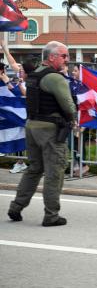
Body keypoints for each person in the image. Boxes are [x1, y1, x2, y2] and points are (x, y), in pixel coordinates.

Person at [8, 41, 77, 226]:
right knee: (54, 171)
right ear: (52, 56)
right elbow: (68, 105)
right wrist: (74, 118)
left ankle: (16, 206)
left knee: (34, 169)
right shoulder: (55, 78)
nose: (67, 60)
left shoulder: (34, 75)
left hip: (32, 126)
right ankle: (51, 215)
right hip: (50, 129)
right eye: (64, 56)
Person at [1, 40, 29, 174]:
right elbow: (12, 62)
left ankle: (36, 164)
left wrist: (7, 82)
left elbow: (25, 94)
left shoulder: (32, 80)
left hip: (28, 113)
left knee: (30, 139)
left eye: (22, 70)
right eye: (20, 69)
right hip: (19, 112)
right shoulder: (21, 78)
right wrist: (5, 47)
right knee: (19, 135)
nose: (19, 71)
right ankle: (20, 162)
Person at [67, 65, 89, 177]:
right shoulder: (70, 84)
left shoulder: (86, 85)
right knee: (71, 142)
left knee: (80, 142)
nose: (73, 73)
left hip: (83, 117)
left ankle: (83, 164)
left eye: (76, 71)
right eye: (73, 71)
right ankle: (76, 162)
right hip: (73, 117)